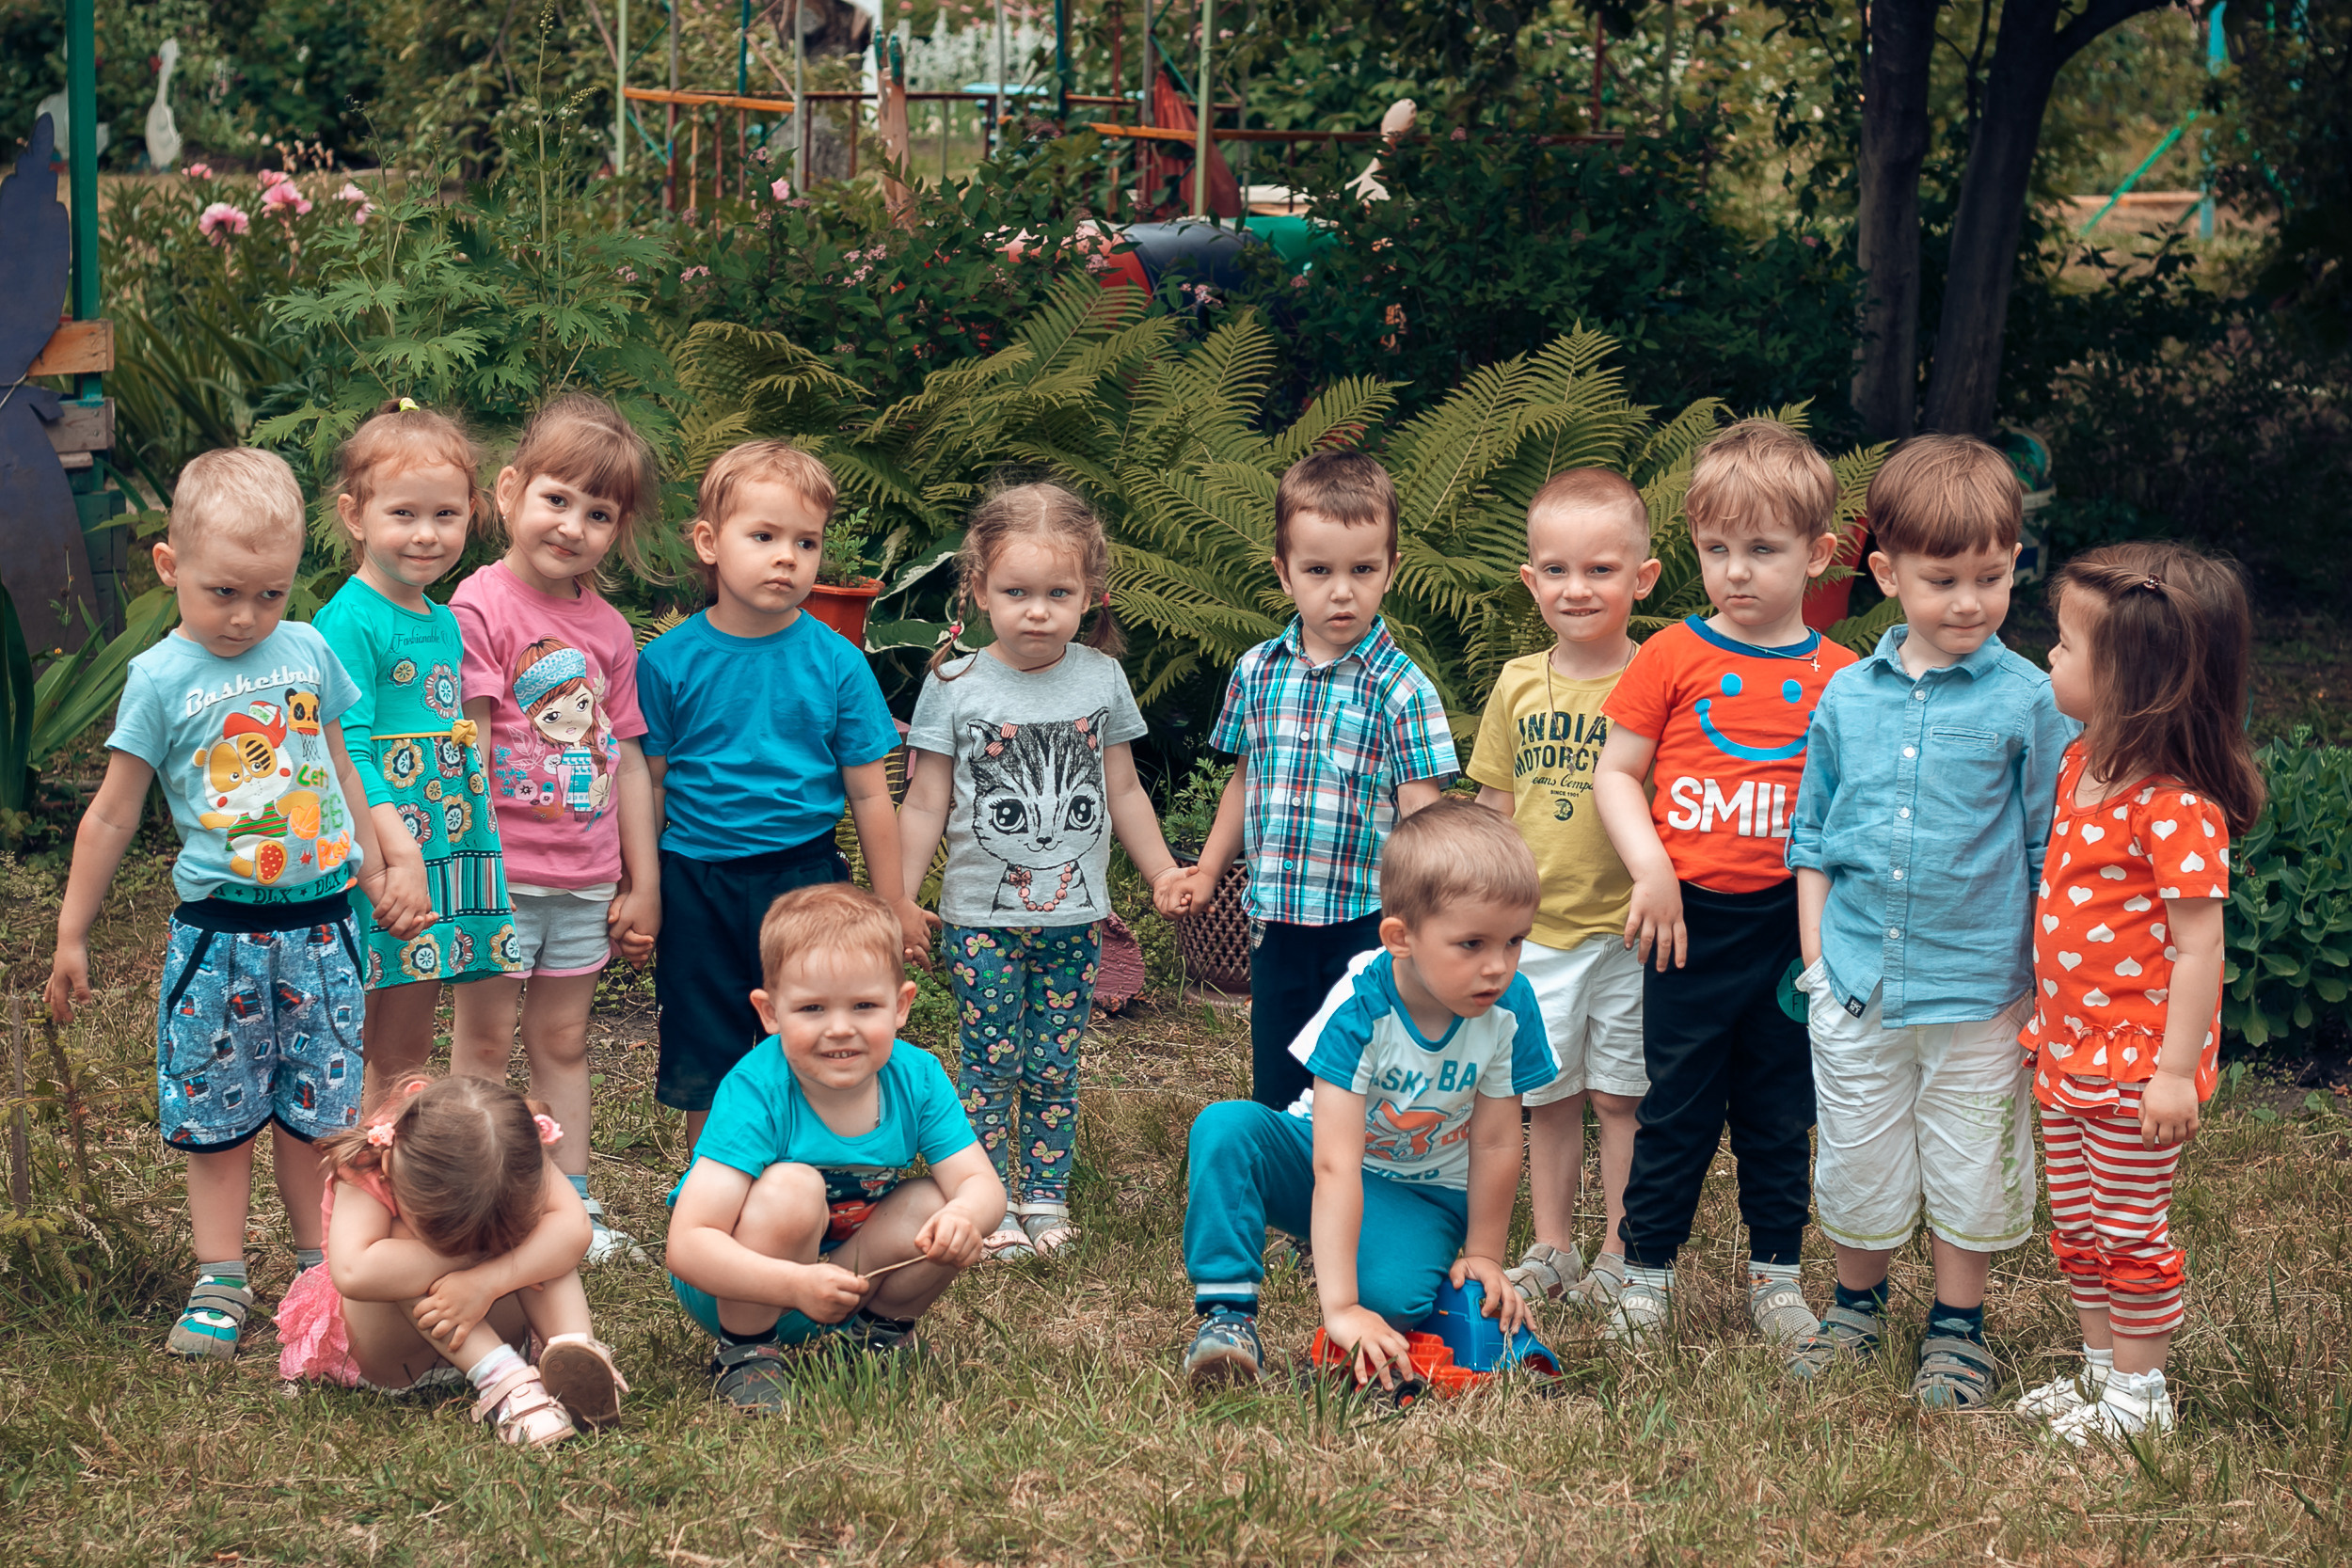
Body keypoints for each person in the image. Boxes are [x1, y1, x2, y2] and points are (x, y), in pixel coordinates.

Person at [43, 447, 428, 1359]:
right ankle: (219, 1274)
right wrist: (71, 933)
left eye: (269, 592)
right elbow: (111, 813)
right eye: (223, 592)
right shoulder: (159, 679)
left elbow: (339, 766)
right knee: (217, 1121)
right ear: (170, 566)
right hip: (220, 937)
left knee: (317, 1110)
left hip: (323, 928)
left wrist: (376, 866)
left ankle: (315, 1261)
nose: (247, 615)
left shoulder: (308, 650)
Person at [1782, 435, 2076, 1405]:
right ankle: (1854, 1303)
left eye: (1990, 577)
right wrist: (1817, 960)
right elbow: (1813, 833)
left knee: (1970, 1155)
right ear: (1885, 573)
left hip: (1980, 988)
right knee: (1861, 1147)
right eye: (1942, 578)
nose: (1967, 601)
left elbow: (2046, 846)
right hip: (1857, 979)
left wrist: (2043, 979)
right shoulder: (1844, 696)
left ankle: (1957, 1322)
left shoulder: (2030, 699)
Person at [1591, 418, 1859, 1349]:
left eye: (1762, 549)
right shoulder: (1669, 655)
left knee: (1781, 1112)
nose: (1736, 570)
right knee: (1676, 1104)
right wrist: (1651, 869)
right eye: (1715, 549)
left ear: (1818, 555)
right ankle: (1645, 1270)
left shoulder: (1843, 679)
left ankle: (1775, 1275)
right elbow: (1615, 772)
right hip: (1686, 922)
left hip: (1792, 929)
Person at [898, 483, 1190, 1258]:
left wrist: (1161, 871)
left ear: (1091, 593)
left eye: (1057, 593)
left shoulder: (1100, 678)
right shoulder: (955, 684)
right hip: (978, 920)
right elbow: (926, 800)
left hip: (1074, 917)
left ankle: (1046, 1198)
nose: (1037, 610)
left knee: (1056, 1060)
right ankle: (986, 1201)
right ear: (978, 589)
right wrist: (894, 896)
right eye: (1016, 591)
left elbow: (1123, 787)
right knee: (989, 1062)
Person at [2012, 542, 2262, 1443]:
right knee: (2077, 1224)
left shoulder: (2175, 804)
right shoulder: (2083, 763)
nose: (2049, 656)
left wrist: (2172, 1071)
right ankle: (2098, 1374)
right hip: (2069, 1050)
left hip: (2135, 1065)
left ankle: (2142, 1397)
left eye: (2067, 645)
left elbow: (2200, 949)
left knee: (2129, 1228)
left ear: (2134, 678)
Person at [1180, 800, 1557, 1388]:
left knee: (1395, 1301)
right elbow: (1334, 1164)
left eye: (1514, 942)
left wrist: (1483, 1254)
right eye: (1473, 944)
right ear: (1400, 938)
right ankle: (1228, 1317)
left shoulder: (1511, 1008)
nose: (1498, 968)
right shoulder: (1362, 1006)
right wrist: (1340, 1309)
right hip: (1319, 1155)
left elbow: (1497, 1141)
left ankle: (1375, 1279)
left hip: (1426, 1193)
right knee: (1225, 1129)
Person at [641, 441, 916, 1150]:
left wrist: (892, 903)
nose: (786, 557)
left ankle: (815, 1167)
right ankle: (711, 1182)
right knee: (707, 1040)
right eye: (763, 536)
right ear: (709, 542)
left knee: (814, 1028)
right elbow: (652, 784)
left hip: (804, 876)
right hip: (695, 880)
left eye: (806, 541)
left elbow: (869, 793)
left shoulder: (837, 662)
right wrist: (638, 886)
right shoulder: (667, 662)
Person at [1170, 451, 1457, 1111]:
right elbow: (1247, 777)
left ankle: (1356, 1190)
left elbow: (1421, 814)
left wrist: (1427, 913)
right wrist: (1210, 868)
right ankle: (1286, 1185)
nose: (1341, 591)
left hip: (1368, 919)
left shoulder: (1403, 689)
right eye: (1318, 570)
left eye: (1363, 570)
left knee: (1359, 1071)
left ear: (1391, 569)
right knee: (1279, 1069)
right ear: (1284, 571)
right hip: (1276, 914)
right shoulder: (1257, 671)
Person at [449, 393, 663, 1265]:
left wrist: (639, 880)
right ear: (509, 492)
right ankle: (476, 1195)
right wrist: (467, 861)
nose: (573, 525)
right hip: (498, 876)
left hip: (581, 877)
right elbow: (465, 748)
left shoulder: (610, 631)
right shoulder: (478, 606)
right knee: (487, 1040)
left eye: (599, 512)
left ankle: (569, 1197)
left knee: (564, 1038)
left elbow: (628, 767)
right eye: (557, 499)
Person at [665, 884, 1007, 1414]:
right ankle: (746, 1353)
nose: (840, 1028)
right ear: (770, 1012)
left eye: (865, 1005)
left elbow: (981, 1185)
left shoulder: (917, 1078)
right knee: (792, 1186)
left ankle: (873, 1338)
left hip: (845, 1279)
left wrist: (966, 1216)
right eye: (812, 1008)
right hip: (740, 1287)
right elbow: (688, 1245)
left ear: (901, 1005)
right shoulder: (757, 1090)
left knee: (940, 1204)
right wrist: (796, 1284)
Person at [1468, 469, 1661, 1311]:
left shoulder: (1662, 676)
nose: (1576, 589)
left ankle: (1622, 1249)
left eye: (1601, 570)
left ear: (1643, 578)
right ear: (1530, 579)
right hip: (1536, 935)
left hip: (1624, 932)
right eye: (1556, 570)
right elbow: (1494, 808)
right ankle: (1552, 1245)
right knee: (1546, 1096)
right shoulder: (1517, 682)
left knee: (1621, 1096)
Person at [314, 401, 525, 1101]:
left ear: (472, 512)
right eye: (402, 514)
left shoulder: (442, 619)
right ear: (355, 515)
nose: (426, 535)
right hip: (383, 845)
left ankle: (391, 1177)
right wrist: (392, 854)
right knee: (355, 1038)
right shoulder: (347, 618)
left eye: (445, 515)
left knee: (407, 1047)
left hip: (443, 837)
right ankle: (345, 1178)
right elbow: (350, 751)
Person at [275, 1073, 626, 1449]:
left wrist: (487, 1281)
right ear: (391, 1166)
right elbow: (354, 1272)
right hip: (392, 1353)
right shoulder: (371, 1160)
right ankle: (505, 1382)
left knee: (548, 1240)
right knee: (394, 1253)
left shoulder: (509, 1147)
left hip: (491, 1316)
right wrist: (481, 1254)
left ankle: (578, 1358)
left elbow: (574, 1230)